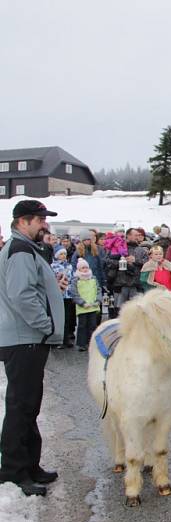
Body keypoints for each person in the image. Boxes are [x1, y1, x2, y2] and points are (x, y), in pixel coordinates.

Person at [0, 200, 66, 497]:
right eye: (40, 220)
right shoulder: (21, 250)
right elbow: (21, 294)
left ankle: (29, 464)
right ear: (23, 221)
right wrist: (46, 324)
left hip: (27, 338)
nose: (45, 225)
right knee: (20, 405)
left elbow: (31, 289)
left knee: (28, 404)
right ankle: (14, 471)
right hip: (23, 339)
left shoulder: (24, 249)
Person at [105, 228, 145, 313]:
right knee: (119, 312)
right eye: (136, 235)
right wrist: (122, 262)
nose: (138, 237)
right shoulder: (116, 247)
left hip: (135, 285)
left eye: (139, 235)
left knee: (135, 312)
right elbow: (107, 261)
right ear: (128, 235)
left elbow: (147, 263)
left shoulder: (141, 250)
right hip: (120, 285)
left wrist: (136, 260)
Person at [70, 258, 101, 352]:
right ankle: (81, 344)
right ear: (79, 269)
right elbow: (74, 293)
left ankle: (91, 342)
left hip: (93, 306)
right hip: (82, 307)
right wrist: (82, 303)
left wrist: (98, 300)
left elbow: (98, 290)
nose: (85, 269)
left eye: (86, 267)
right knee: (82, 325)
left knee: (92, 325)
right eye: (83, 268)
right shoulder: (76, 280)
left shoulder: (93, 278)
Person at [50, 247, 76, 349]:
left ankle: (66, 338)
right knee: (58, 318)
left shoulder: (69, 266)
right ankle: (57, 340)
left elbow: (73, 279)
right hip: (58, 295)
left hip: (68, 295)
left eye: (64, 254)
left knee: (67, 318)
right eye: (61, 254)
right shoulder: (53, 266)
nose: (63, 256)